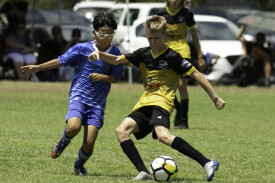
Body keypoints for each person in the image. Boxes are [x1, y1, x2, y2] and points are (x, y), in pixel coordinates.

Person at [88, 16, 225, 182]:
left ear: (165, 36)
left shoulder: (173, 57)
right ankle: (143, 171)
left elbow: (196, 74)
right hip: (145, 102)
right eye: (150, 38)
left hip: (162, 103)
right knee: (121, 131)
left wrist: (215, 97)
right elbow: (117, 60)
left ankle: (206, 162)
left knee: (163, 136)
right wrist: (99, 54)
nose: (153, 42)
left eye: (156, 38)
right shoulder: (143, 53)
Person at [21, 12, 123, 176]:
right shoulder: (82, 48)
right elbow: (61, 60)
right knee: (73, 127)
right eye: (102, 34)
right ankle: (63, 142)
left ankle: (79, 166)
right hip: (79, 97)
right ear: (94, 33)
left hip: (97, 103)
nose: (105, 38)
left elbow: (116, 78)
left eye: (109, 34)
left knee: (89, 142)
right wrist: (38, 67)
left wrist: (103, 77)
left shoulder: (116, 53)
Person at [157, 0, 206, 129]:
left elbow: (194, 36)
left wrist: (200, 56)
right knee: (166, 87)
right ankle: (178, 111)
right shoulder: (161, 14)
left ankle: (183, 120)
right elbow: (155, 35)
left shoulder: (187, 13)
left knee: (181, 85)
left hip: (183, 52)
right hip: (165, 52)